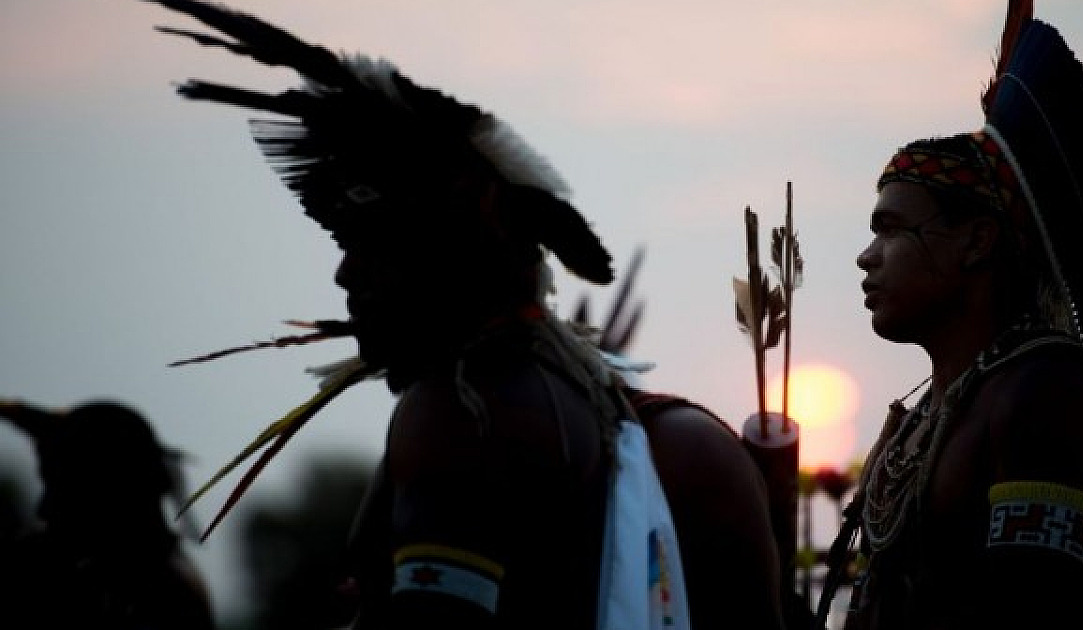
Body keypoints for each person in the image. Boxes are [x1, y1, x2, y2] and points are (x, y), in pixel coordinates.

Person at [148, 1, 785, 628]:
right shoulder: (675, 439)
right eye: (345, 245)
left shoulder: (463, 417)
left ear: (452, 258)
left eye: (373, 245)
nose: (346, 273)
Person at [818, 2, 1083, 629]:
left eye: (892, 230)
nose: (866, 257)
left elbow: (1039, 609)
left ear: (978, 241)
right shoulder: (921, 420)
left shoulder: (1045, 397)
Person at [0, 399, 216, 630]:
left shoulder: (156, 599)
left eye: (67, 488)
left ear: (115, 491)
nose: (44, 509)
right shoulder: (148, 581)